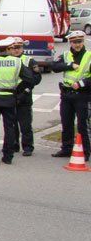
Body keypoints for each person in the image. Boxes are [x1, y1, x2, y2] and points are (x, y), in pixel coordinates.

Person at [50, 30, 91, 159]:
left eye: (79, 42)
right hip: (67, 94)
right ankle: (66, 149)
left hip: (82, 95)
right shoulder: (66, 55)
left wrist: (81, 83)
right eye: (74, 42)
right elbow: (54, 66)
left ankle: (85, 151)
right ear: (70, 43)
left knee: (83, 125)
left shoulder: (89, 56)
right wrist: (69, 65)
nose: (77, 44)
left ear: (83, 42)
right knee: (66, 123)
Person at [7, 37, 41, 156]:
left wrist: (27, 87)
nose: (16, 50)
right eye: (13, 48)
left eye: (18, 47)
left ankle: (28, 147)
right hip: (11, 95)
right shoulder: (7, 60)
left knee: (25, 124)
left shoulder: (29, 61)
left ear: (22, 48)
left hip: (25, 95)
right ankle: (14, 145)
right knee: (12, 124)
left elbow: (37, 78)